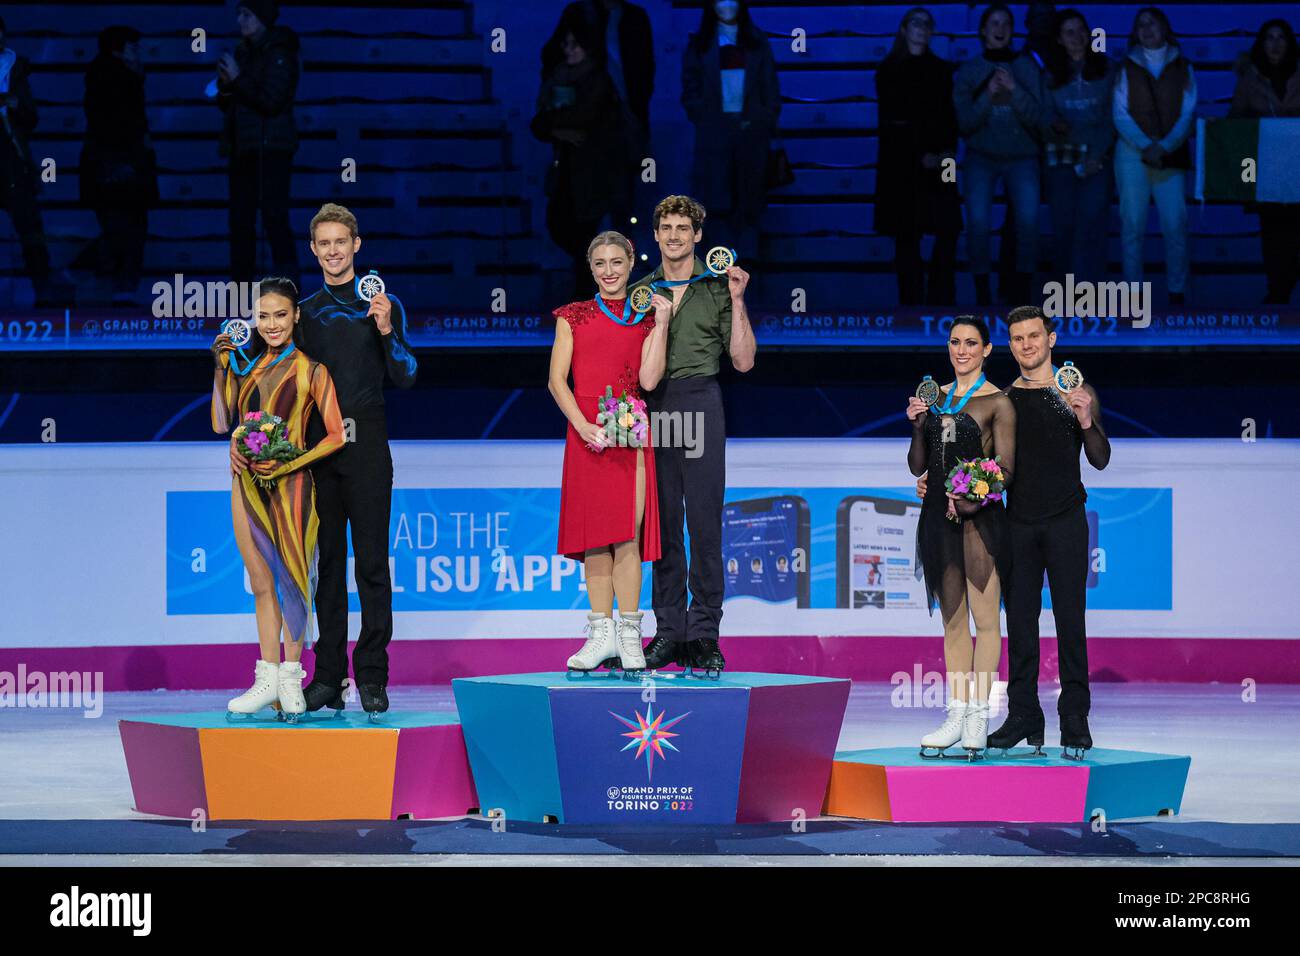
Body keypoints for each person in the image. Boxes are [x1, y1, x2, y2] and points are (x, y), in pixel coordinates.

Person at [230, 203, 417, 719]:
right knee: (327, 569)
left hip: (368, 451)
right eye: (324, 244)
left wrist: (385, 330)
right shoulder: (305, 312)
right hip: (316, 456)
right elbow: (277, 376)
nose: (334, 251)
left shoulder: (383, 304)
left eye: (342, 242)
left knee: (373, 568)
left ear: (357, 245)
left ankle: (373, 677)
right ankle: (329, 678)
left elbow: (406, 374)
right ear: (313, 250)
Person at [632, 195, 756, 677]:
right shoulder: (643, 292)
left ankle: (704, 635)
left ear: (698, 235)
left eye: (684, 228)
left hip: (702, 402)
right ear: (657, 235)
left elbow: (743, 361)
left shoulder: (721, 287)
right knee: (662, 528)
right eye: (667, 228)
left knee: (704, 527)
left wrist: (740, 299)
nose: (675, 236)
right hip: (655, 406)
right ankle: (668, 633)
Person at [210, 277, 345, 719]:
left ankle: (291, 678)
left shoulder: (312, 371)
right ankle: (265, 679)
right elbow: (219, 422)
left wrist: (289, 463)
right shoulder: (246, 367)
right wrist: (219, 366)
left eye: (280, 315)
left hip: (293, 484)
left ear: (295, 316)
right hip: (245, 482)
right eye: (263, 316)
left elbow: (336, 435)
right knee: (261, 582)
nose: (271, 324)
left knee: (291, 581)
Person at [989, 305, 1110, 758]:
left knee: (1070, 621)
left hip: (1065, 521)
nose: (1026, 345)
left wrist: (1084, 418)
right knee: (1019, 623)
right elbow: (991, 467)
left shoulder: (1074, 391)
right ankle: (1023, 714)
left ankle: (1074, 716)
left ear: (1052, 339)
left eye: (1034, 336)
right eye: (1018, 338)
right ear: (1010, 345)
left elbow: (1100, 457)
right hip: (1016, 523)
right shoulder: (1003, 399)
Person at [549, 230, 667, 672]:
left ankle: (631, 636)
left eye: (617, 262)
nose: (609, 271)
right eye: (600, 263)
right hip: (586, 434)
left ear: (632, 263)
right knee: (594, 537)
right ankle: (600, 635)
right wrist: (582, 427)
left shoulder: (646, 316)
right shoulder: (573, 315)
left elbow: (651, 380)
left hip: (630, 431)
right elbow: (556, 380)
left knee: (626, 535)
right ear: (590, 267)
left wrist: (665, 322)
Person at [906, 315, 1015, 756]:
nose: (962, 350)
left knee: (986, 620)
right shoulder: (935, 399)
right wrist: (917, 425)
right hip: (937, 518)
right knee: (953, 621)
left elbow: (1006, 471)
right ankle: (955, 712)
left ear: (987, 349)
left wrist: (973, 493)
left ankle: (978, 716)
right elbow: (918, 466)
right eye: (955, 342)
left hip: (980, 520)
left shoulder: (998, 403)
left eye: (972, 343)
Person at [532, 13, 633, 300]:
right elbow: (538, 122)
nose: (570, 49)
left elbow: (587, 118)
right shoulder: (557, 77)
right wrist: (560, 131)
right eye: (566, 44)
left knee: (584, 228)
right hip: (564, 165)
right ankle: (586, 290)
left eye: (576, 44)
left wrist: (557, 124)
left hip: (594, 169)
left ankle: (587, 296)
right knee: (560, 225)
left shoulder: (599, 79)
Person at [953, 4, 1047, 306]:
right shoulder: (969, 71)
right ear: (982, 30)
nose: (1000, 28)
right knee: (978, 224)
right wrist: (988, 95)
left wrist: (1015, 90)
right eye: (993, 23)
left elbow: (1039, 118)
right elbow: (964, 123)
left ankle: (1022, 292)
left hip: (1023, 157)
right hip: (981, 157)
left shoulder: (1028, 68)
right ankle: (983, 293)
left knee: (1028, 223)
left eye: (1006, 23)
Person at [874, 7, 961, 305]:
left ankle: (940, 301)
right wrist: (919, 155)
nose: (921, 28)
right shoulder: (888, 70)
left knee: (948, 227)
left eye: (927, 24)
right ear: (903, 29)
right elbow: (893, 122)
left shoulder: (942, 69)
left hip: (941, 161)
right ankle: (911, 304)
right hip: (902, 165)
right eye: (916, 23)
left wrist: (945, 154)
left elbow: (948, 117)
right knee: (906, 234)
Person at [681, 0, 781, 261]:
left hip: (750, 134)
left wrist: (760, 119)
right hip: (715, 134)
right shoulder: (700, 43)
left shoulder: (757, 41)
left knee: (748, 206)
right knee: (715, 206)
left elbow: (770, 87)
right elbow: (690, 87)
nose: (726, 5)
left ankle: (747, 276)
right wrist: (705, 117)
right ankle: (718, 276)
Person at [1113, 6, 1196, 305]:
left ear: (1165, 27)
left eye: (1153, 23)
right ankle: (1133, 299)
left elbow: (1188, 112)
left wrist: (1165, 145)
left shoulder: (1184, 66)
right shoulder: (1125, 67)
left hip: (1169, 154)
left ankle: (1177, 294)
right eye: (1141, 24)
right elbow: (1119, 113)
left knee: (1175, 225)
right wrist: (1146, 145)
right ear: (1135, 32)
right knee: (1132, 226)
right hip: (1131, 154)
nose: (1147, 29)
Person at [216, 0, 300, 287]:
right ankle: (240, 291)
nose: (240, 20)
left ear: (262, 18)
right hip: (243, 148)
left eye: (246, 14)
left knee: (274, 219)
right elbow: (231, 104)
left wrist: (238, 79)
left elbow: (272, 101)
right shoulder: (244, 52)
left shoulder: (279, 52)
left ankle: (289, 291)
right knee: (240, 222)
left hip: (271, 148)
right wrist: (226, 87)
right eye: (239, 14)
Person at [78, 25, 157, 306]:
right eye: (133, 47)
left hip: (112, 164)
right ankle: (112, 283)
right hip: (119, 165)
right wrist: (127, 163)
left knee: (120, 227)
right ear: (119, 49)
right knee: (127, 228)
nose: (138, 53)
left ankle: (115, 285)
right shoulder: (120, 78)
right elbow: (121, 125)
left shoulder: (107, 75)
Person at [1229, 20, 1300, 304]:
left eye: (1281, 37)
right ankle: (1277, 295)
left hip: (1298, 168)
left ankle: (1282, 289)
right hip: (1266, 169)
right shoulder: (1249, 79)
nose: (1275, 43)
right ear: (1261, 43)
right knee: (1272, 234)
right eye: (1269, 38)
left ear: (1289, 42)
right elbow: (1234, 120)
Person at [1043, 9, 1115, 285]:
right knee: (1064, 230)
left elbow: (1113, 117)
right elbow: (1043, 115)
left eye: (1080, 29)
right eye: (1069, 32)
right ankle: (1064, 300)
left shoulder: (1107, 69)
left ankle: (1091, 299)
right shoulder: (1049, 74)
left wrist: (1096, 156)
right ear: (1059, 39)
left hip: (1097, 160)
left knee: (1092, 228)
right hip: (1061, 161)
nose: (1076, 36)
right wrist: (1053, 124)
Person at [0, 16, 58, 305]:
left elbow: (31, 118)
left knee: (30, 228)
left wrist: (16, 105)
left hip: (12, 157)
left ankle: (44, 291)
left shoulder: (16, 70)